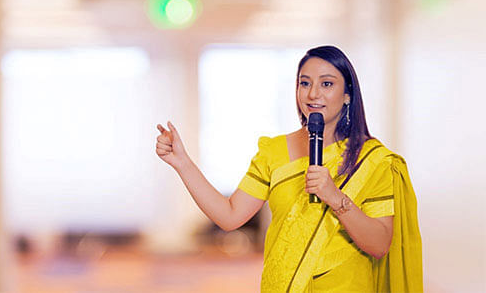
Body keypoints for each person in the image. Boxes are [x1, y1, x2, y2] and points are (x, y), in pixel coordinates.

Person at [155, 45, 422, 292]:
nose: (313, 94)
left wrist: (334, 196)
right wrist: (183, 163)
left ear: (348, 94)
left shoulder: (373, 160)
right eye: (305, 83)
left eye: (326, 84)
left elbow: (379, 244)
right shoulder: (274, 151)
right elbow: (229, 216)